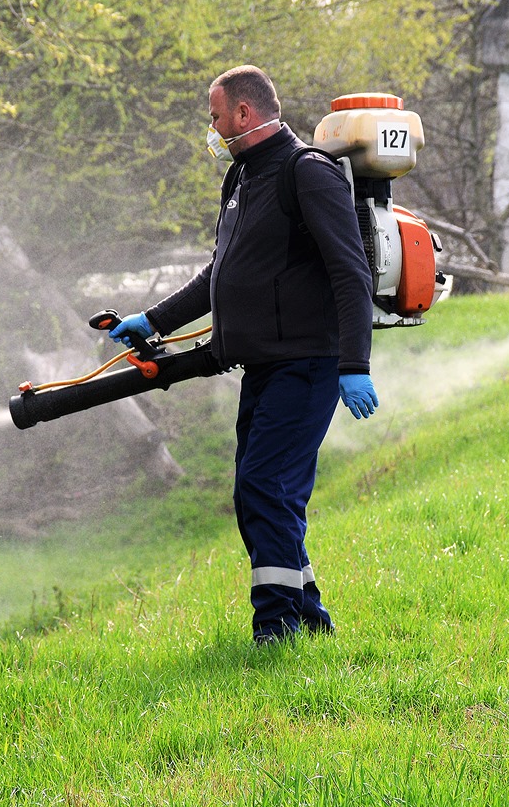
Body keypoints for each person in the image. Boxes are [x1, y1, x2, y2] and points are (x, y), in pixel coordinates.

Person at [109, 65, 378, 645]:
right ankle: (308, 617)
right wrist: (153, 320)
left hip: (307, 365)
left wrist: (354, 365)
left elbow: (351, 273)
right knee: (264, 492)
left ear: (244, 114)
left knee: (264, 488)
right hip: (263, 368)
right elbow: (221, 273)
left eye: (214, 115)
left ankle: (275, 629)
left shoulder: (308, 173)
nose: (211, 126)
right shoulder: (242, 178)